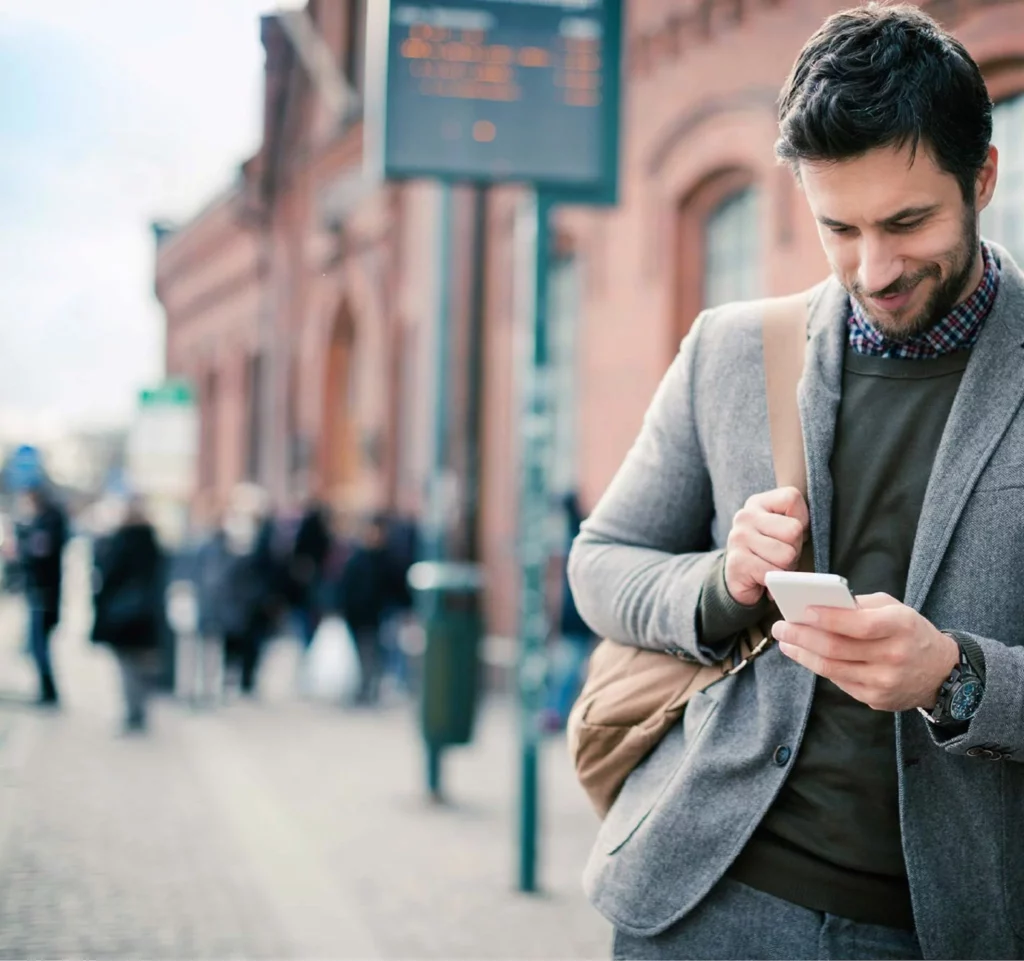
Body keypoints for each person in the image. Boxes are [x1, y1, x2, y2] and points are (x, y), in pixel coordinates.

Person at [568, 5, 1024, 959]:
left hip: (949, 927)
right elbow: (601, 565)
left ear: (981, 175)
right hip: (701, 899)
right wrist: (719, 582)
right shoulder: (732, 350)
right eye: (838, 228)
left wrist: (958, 677)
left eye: (909, 222)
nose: (876, 267)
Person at [91, 496, 165, 732]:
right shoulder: (153, 542)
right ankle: (140, 709)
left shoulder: (120, 541)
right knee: (142, 663)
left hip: (121, 614)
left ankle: (133, 711)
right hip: (147, 615)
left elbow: (107, 575)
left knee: (125, 664)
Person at [542, 492, 596, 732]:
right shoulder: (583, 535)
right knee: (567, 668)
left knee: (567, 669)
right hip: (579, 618)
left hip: (575, 618)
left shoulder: (575, 539)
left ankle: (555, 712)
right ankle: (556, 712)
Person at [17, 483, 68, 705]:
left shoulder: (47, 523)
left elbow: (39, 553)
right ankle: (46, 689)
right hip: (43, 590)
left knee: (38, 644)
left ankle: (48, 691)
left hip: (43, 592)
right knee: (36, 644)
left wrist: (23, 539)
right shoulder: (48, 522)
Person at [336, 514, 391, 705]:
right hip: (359, 615)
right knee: (364, 654)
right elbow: (346, 587)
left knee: (372, 653)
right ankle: (365, 689)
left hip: (376, 615)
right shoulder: (357, 559)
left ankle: (369, 689)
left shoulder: (384, 558)